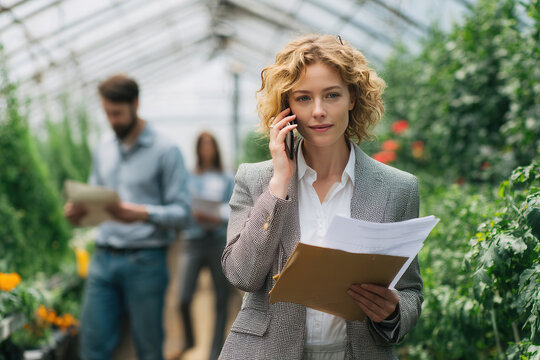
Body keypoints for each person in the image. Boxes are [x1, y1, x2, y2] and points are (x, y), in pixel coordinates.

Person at [219, 34, 423, 360]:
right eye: (303, 98)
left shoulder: (397, 188)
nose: (318, 111)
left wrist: (393, 310)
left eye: (331, 95)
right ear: (286, 107)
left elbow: (411, 290)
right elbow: (242, 275)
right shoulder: (256, 179)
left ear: (352, 98)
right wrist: (280, 183)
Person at [64, 74, 190, 360]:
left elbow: (182, 213)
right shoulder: (104, 147)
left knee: (148, 348)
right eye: (108, 113)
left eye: (118, 113)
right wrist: (79, 211)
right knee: (92, 347)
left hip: (145, 261)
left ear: (135, 104)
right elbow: (95, 194)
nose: (113, 120)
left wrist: (143, 213)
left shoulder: (166, 151)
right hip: (103, 258)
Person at [177, 131, 234, 360]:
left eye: (211, 145)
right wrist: (193, 213)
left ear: (216, 148)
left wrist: (216, 217)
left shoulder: (226, 177)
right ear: (198, 149)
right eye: (203, 145)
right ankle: (189, 339)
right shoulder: (190, 177)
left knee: (222, 298)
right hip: (194, 241)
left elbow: (234, 208)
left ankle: (215, 352)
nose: (207, 150)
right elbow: (182, 205)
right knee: (183, 296)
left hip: (217, 240)